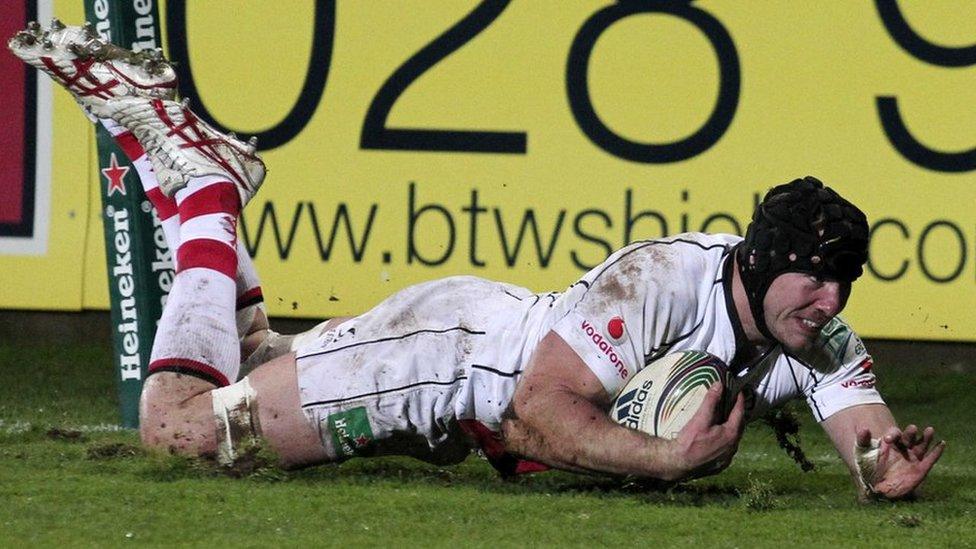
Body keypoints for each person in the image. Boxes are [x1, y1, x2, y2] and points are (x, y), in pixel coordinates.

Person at [11, 21, 944, 501]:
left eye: (843, 280)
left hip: (456, 370)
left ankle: (189, 188)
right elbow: (537, 413)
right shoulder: (667, 278)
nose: (829, 298)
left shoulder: (813, 333)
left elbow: (863, 433)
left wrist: (882, 469)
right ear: (766, 259)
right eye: (815, 274)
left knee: (254, 372)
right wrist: (665, 460)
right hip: (427, 362)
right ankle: (207, 198)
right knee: (178, 429)